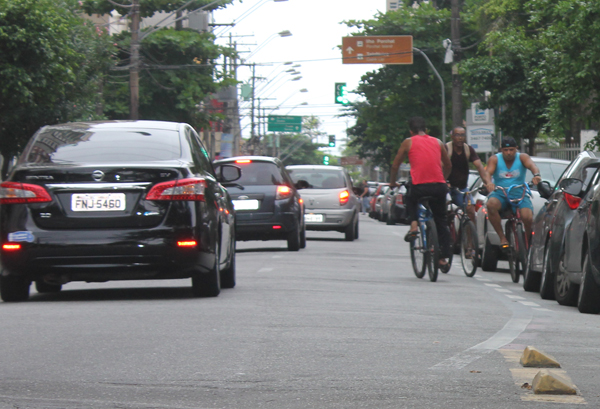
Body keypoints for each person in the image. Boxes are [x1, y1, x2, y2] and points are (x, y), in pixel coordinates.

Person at [389, 117, 453, 269]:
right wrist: (443, 179)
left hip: (420, 187)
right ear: (426, 130)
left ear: (410, 131)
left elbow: (395, 165)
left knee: (410, 198)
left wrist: (392, 182)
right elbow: (448, 164)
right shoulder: (437, 142)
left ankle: (413, 225)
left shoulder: (408, 142)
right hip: (439, 186)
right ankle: (443, 258)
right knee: (441, 221)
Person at [485, 137, 542, 248]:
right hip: (500, 193)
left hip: (519, 192)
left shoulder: (522, 157)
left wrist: (536, 175)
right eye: (506, 150)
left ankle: (529, 241)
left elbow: (532, 166)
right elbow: (488, 173)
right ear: (501, 150)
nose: (509, 153)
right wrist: (488, 183)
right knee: (490, 204)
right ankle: (502, 238)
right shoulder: (495, 159)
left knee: (527, 217)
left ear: (516, 149)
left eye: (511, 149)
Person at [445, 127, 493, 223]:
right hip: (446, 187)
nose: (460, 138)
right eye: (457, 135)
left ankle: (471, 236)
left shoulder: (468, 150)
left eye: (462, 135)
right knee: (444, 210)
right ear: (452, 136)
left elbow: (479, 167)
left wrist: (487, 183)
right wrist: (443, 182)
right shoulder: (446, 149)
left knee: (470, 210)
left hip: (462, 188)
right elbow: (439, 166)